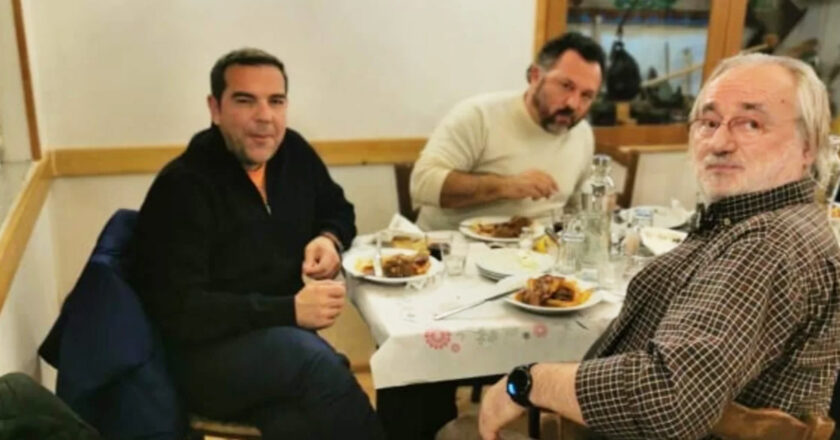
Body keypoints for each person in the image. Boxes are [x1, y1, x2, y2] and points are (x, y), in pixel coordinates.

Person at [478, 53, 840, 439]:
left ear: (808, 146)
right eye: (709, 122)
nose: (719, 143)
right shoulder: (757, 221)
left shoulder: (767, 242)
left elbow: (670, 398)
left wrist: (527, 383)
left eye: (751, 123)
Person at [129, 48, 384, 439]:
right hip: (202, 359)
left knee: (298, 420)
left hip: (279, 346)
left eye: (276, 101)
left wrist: (328, 238)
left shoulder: (292, 151)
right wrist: (289, 310)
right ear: (215, 109)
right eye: (245, 101)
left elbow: (337, 209)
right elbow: (180, 310)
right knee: (318, 365)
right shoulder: (183, 186)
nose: (265, 116)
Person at [410, 32, 606, 231]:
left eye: (586, 95)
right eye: (566, 86)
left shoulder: (582, 134)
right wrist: (506, 186)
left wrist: (598, 209)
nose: (573, 103)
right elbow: (422, 184)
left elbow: (575, 210)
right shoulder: (480, 116)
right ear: (535, 76)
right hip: (452, 245)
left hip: (541, 246)